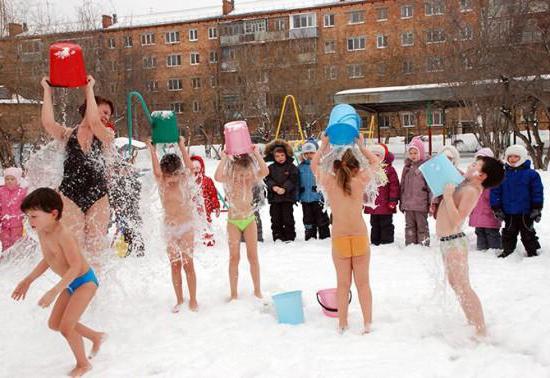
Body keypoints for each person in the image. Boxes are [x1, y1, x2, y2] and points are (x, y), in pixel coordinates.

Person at [12, 188, 106, 377]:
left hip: (85, 282)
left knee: (66, 327)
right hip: (70, 283)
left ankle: (83, 364)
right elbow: (49, 258)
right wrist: (28, 280)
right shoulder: (42, 231)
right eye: (29, 217)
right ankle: (96, 336)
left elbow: (76, 266)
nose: (30, 222)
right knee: (55, 323)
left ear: (53, 214)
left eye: (34, 217)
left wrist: (53, 291)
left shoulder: (64, 235)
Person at [40, 76, 114, 269]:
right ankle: (77, 289)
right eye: (105, 111)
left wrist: (89, 88)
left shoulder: (106, 134)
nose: (107, 117)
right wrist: (46, 90)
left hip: (98, 196)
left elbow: (95, 123)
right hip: (69, 195)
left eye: (109, 115)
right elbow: (48, 123)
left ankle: (95, 294)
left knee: (96, 250)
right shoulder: (67, 134)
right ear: (91, 106)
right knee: (74, 248)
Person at [312, 134, 379, 333]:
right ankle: (367, 324)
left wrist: (324, 145)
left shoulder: (330, 183)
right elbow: (375, 161)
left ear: (335, 167)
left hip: (339, 238)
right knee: (363, 283)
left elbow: (314, 165)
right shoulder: (360, 180)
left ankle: (342, 323)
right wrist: (360, 145)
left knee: (343, 284)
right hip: (359, 236)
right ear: (357, 167)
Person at [436, 156, 504, 337]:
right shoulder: (467, 184)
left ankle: (480, 329)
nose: (470, 166)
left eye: (475, 165)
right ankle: (470, 320)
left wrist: (448, 196)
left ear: (482, 175)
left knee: (463, 286)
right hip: (448, 242)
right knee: (456, 284)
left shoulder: (472, 191)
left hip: (454, 242)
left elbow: (457, 219)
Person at [146, 137, 198, 312]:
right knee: (175, 264)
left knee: (188, 263)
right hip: (169, 229)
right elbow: (156, 171)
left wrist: (182, 146)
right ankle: (179, 299)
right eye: (169, 176)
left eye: (175, 175)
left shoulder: (183, 179)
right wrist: (151, 149)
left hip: (186, 227)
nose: (172, 179)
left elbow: (190, 168)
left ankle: (193, 299)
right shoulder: (161, 183)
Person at [214, 146, 269, 300]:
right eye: (239, 174)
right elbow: (217, 176)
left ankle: (257, 290)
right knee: (234, 258)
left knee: (253, 257)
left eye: (245, 174)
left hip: (249, 220)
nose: (242, 178)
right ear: (233, 172)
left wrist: (257, 154)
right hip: (233, 222)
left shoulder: (251, 179)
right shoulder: (230, 180)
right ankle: (233, 293)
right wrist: (224, 157)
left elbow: (265, 172)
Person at [490, 144, 544, 258]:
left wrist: (537, 208)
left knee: (528, 232)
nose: (512, 159)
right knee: (508, 232)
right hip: (508, 211)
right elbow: (495, 191)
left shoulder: (531, 174)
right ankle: (507, 250)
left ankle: (532, 251)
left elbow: (537, 192)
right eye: (510, 156)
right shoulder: (503, 174)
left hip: (526, 211)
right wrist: (496, 208)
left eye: (516, 157)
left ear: (523, 157)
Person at [363, 144, 399, 245]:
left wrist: (393, 200)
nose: (374, 158)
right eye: (372, 155)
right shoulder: (369, 170)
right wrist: (364, 201)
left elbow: (394, 186)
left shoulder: (389, 170)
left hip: (386, 204)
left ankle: (386, 241)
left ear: (383, 157)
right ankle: (375, 241)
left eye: (377, 155)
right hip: (373, 205)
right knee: (374, 223)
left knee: (386, 223)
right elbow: (364, 187)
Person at [264, 139, 299, 242]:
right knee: (275, 218)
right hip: (274, 198)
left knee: (288, 218)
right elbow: (266, 179)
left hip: (287, 198)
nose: (280, 158)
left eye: (282, 155)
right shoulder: (270, 168)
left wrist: (285, 188)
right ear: (273, 157)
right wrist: (273, 187)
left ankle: (289, 236)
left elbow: (293, 179)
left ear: (286, 155)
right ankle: (278, 235)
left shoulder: (291, 167)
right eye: (277, 156)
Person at [469, 148, 502, 251]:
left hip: (490, 212)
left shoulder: (494, 178)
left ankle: (495, 249)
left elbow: (497, 195)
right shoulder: (474, 178)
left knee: (491, 232)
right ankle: (481, 250)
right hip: (477, 212)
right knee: (479, 232)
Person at [400, 137, 431, 246]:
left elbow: (429, 188)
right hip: (408, 205)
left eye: (415, 153)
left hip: (420, 205)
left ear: (421, 153)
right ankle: (410, 245)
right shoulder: (407, 168)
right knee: (409, 226)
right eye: (411, 153)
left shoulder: (425, 167)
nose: (413, 155)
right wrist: (401, 202)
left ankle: (423, 244)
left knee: (422, 226)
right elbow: (402, 186)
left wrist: (431, 204)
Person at [298, 142, 330, 240]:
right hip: (305, 198)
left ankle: (324, 236)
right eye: (306, 153)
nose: (308, 155)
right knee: (308, 218)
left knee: (321, 218)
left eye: (311, 153)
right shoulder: (300, 167)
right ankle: (310, 235)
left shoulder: (321, 165)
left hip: (318, 198)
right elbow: (296, 181)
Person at [191, 155, 220, 246]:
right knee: (192, 223)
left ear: (201, 168)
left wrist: (216, 206)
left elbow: (213, 195)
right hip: (192, 208)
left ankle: (208, 237)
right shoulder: (188, 181)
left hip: (205, 208)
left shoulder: (207, 180)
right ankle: (194, 239)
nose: (196, 170)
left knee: (205, 222)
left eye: (197, 168)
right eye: (193, 168)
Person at [0, 167, 27, 252]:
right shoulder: (1, 191)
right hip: (4, 224)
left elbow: (26, 206)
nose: (9, 181)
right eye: (7, 179)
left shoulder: (22, 192)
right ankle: (5, 259)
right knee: (5, 243)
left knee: (16, 243)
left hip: (18, 224)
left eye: (12, 179)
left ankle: (16, 260)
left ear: (18, 180)